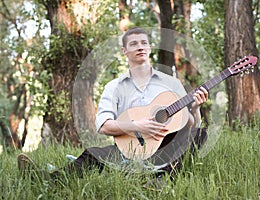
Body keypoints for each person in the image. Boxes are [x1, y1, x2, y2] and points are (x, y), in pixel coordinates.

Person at [17, 27, 208, 186]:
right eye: (133, 44)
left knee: (200, 135)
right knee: (92, 154)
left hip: (163, 150)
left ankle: (160, 180)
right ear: (124, 51)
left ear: (150, 47)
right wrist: (137, 126)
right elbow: (104, 125)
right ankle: (43, 178)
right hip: (129, 151)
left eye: (143, 43)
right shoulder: (113, 87)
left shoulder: (171, 83)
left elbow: (189, 124)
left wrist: (195, 109)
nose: (140, 47)